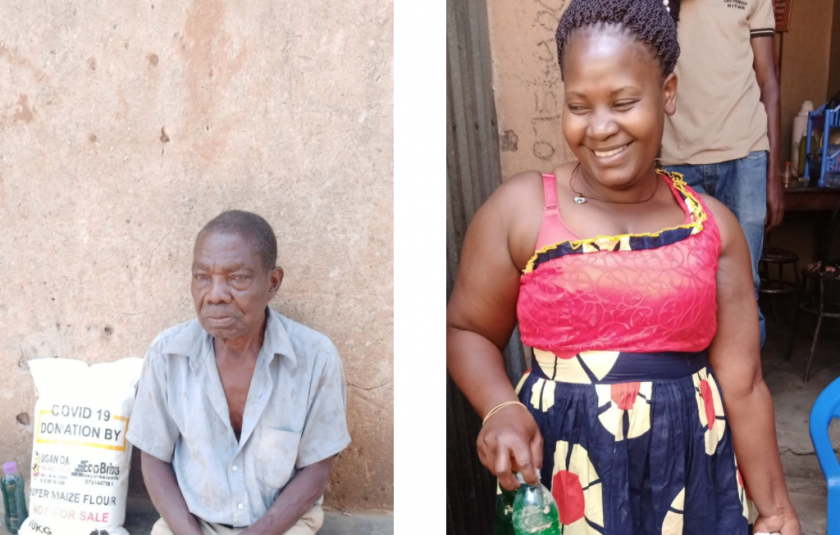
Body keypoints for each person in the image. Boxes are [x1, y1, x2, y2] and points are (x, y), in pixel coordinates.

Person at [446, 0, 800, 533]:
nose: (600, 127)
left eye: (624, 101)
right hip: (567, 482)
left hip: (690, 478)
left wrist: (776, 510)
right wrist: (499, 407)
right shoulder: (520, 211)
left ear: (669, 93)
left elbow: (744, 383)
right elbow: (466, 329)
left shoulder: (712, 226)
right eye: (579, 105)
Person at [127, 210, 351, 535]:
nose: (215, 294)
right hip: (189, 525)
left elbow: (317, 468)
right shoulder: (166, 354)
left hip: (281, 528)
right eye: (202, 277)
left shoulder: (315, 358)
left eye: (237, 278)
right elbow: (154, 457)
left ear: (273, 283)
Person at [660, 0, 782, 348]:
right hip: (676, 159)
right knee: (682, 291)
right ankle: (696, 397)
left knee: (744, 290)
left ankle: (742, 398)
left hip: (745, 156)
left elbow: (768, 79)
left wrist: (773, 175)